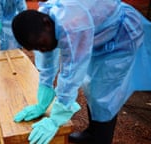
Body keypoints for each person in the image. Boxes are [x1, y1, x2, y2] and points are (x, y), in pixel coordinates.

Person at [11, 0, 151, 144]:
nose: (42, 50)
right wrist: (43, 97)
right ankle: (92, 133)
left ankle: (101, 139)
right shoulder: (42, 24)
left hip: (121, 37)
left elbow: (71, 73)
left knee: (104, 95)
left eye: (41, 45)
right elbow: (47, 62)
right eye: (36, 48)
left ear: (47, 23)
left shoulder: (72, 25)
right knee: (91, 87)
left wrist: (56, 118)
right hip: (97, 34)